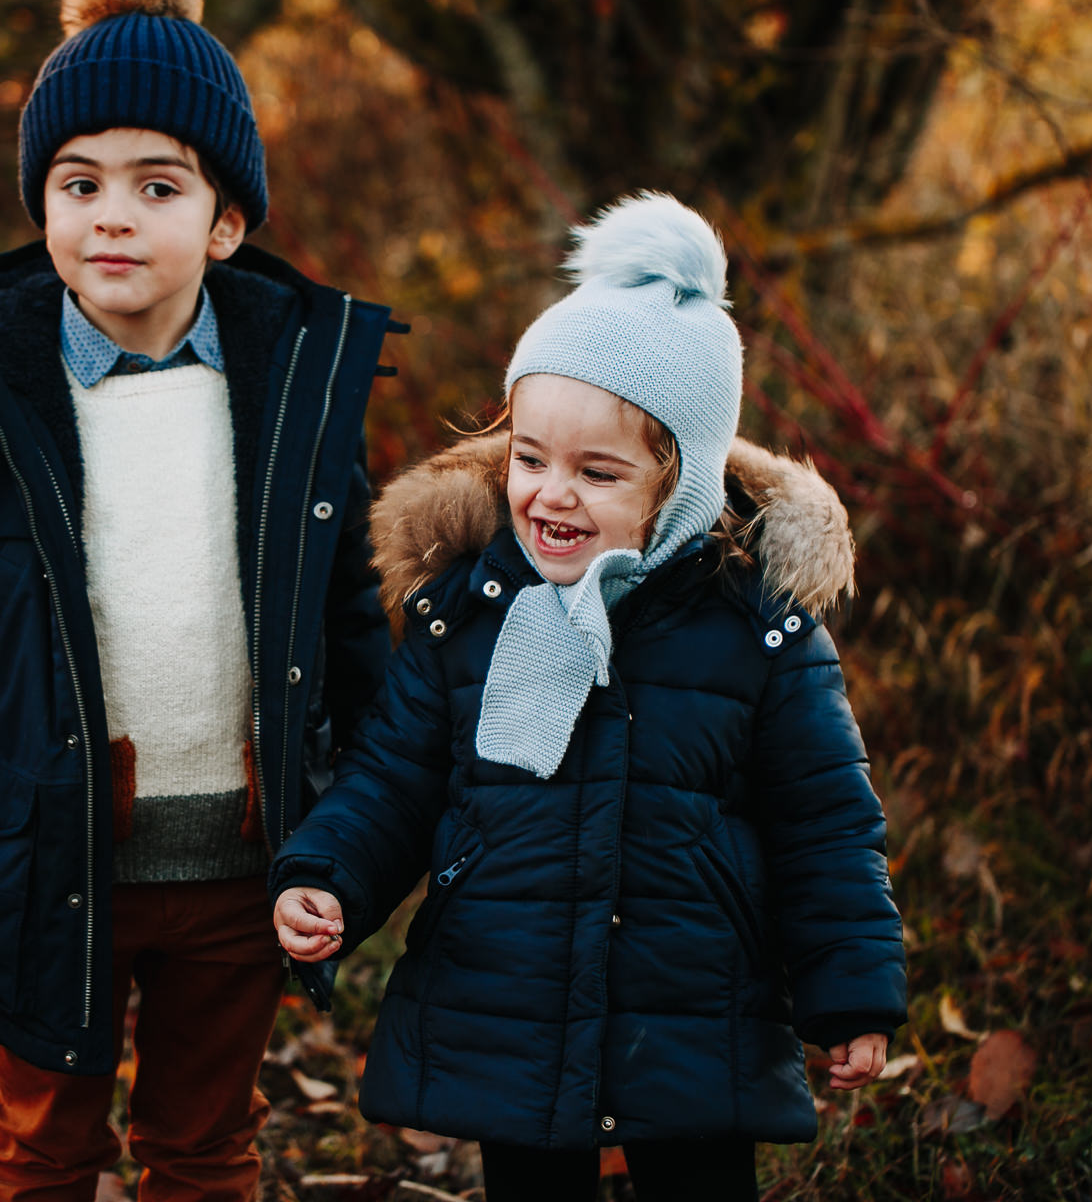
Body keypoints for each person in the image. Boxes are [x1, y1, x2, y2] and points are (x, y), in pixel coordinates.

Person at [0, 0, 395, 1199]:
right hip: (44, 857)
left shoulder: (295, 393)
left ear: (229, 220)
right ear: (41, 208)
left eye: (159, 185)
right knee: (38, 1146)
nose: (113, 217)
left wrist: (364, 835)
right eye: (79, 183)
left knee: (204, 1145)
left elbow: (350, 623)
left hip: (244, 863)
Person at [269, 192, 906, 1202]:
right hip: (509, 997)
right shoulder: (465, 615)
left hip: (689, 1006)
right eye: (529, 456)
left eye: (597, 471)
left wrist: (852, 994)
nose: (549, 492)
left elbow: (825, 825)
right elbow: (393, 779)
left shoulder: (759, 634)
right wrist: (328, 876)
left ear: (679, 485)